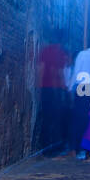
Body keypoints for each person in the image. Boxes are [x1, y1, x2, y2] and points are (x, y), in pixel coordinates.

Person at [37, 28, 68, 156]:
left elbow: (41, 69)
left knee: (46, 117)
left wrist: (39, 86)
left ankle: (45, 146)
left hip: (45, 88)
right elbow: (59, 72)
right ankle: (55, 147)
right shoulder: (60, 52)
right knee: (57, 118)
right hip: (57, 89)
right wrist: (64, 87)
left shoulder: (45, 50)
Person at [69, 34, 90, 156]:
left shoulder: (82, 54)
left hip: (82, 86)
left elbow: (76, 71)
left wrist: (70, 87)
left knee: (78, 117)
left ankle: (74, 148)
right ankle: (88, 148)